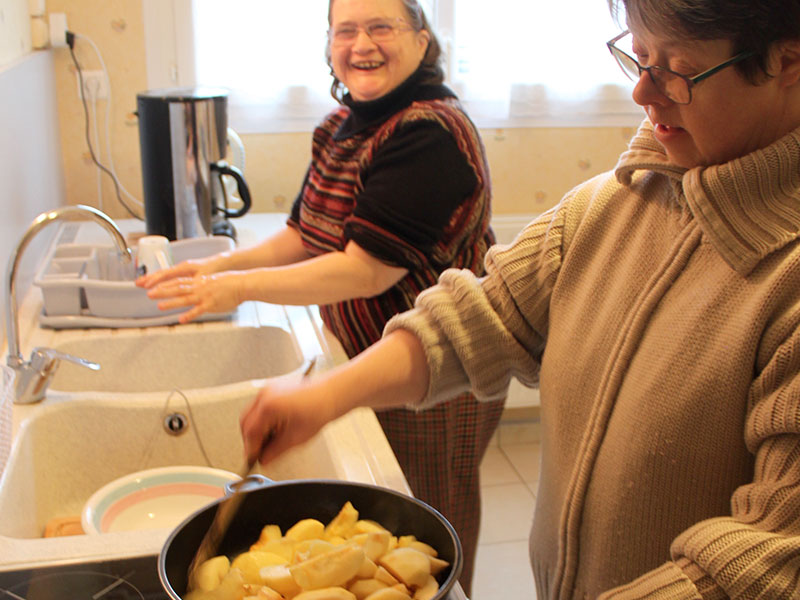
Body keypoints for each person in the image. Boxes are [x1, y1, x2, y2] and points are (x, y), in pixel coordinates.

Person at [239, 0, 800, 597]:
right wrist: (325, 394)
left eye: (678, 71)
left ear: (787, 62)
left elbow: (770, 556)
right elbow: (481, 316)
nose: (643, 91)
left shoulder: (784, 280)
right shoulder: (605, 207)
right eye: (636, 57)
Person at [137, 0, 501, 592]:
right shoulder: (341, 124)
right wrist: (216, 266)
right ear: (329, 44)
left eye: (381, 27)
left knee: (426, 529)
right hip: (364, 359)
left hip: (434, 372)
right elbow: (302, 235)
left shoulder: (429, 132)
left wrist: (231, 285)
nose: (362, 44)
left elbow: (366, 272)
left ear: (421, 39)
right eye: (346, 30)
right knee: (379, 537)